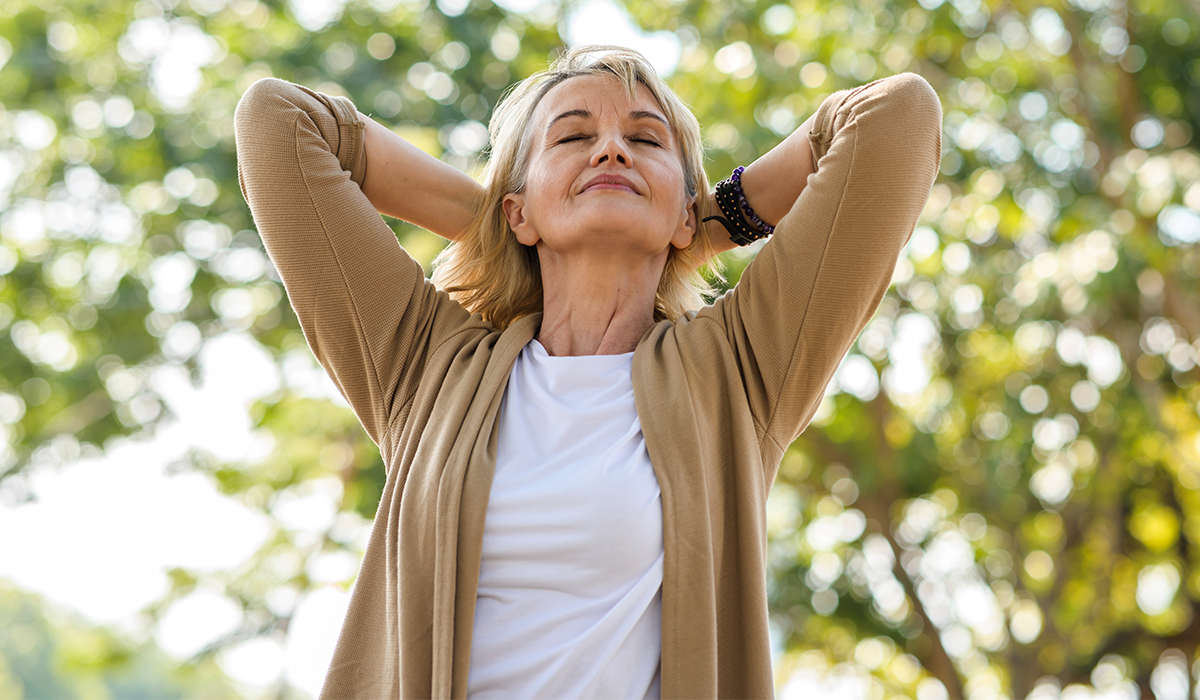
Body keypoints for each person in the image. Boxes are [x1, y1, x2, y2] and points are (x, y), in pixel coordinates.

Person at [234, 44, 941, 699]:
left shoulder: (738, 368)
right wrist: (500, 225)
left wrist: (704, 222)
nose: (610, 147)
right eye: (572, 138)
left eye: (645, 140)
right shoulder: (425, 364)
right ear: (518, 210)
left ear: (685, 214)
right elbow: (279, 122)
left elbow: (895, 118)